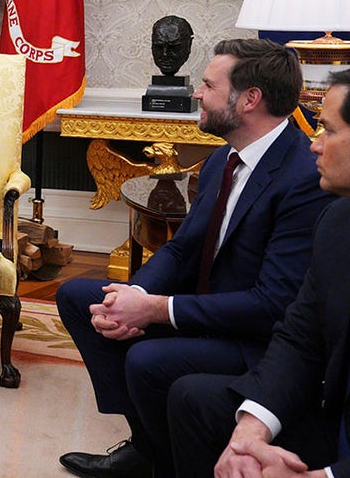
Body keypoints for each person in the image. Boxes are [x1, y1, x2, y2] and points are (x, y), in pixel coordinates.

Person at [57, 39, 334, 478]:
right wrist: (135, 294)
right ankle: (148, 446)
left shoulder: (303, 177)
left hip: (255, 338)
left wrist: (155, 309)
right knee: (79, 296)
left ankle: (168, 462)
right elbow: (183, 247)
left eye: (208, 85)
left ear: (249, 99)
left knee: (147, 361)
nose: (198, 94)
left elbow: (272, 305)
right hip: (207, 305)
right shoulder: (222, 158)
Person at [167, 70, 350, 477]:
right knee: (193, 399)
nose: (315, 145)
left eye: (328, 131)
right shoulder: (337, 222)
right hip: (326, 407)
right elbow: (301, 338)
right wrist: (250, 432)